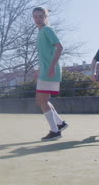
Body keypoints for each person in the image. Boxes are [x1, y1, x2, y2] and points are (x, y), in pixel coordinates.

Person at [32, 7, 69, 141]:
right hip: (45, 71)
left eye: (41, 16)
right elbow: (45, 55)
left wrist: (52, 67)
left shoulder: (47, 30)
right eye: (35, 16)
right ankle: (60, 123)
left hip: (50, 71)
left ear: (45, 17)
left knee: (41, 100)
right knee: (42, 100)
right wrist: (39, 70)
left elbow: (60, 47)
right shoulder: (40, 31)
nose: (38, 19)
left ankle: (55, 131)